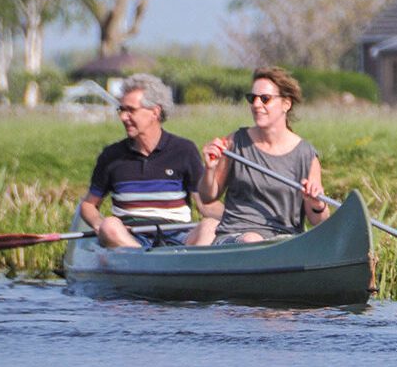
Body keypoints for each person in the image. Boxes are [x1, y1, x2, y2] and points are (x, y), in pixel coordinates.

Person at [79, 73, 220, 248]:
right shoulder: (111, 156)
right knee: (109, 225)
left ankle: (187, 266)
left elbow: (206, 206)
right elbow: (88, 205)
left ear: (155, 112)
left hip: (179, 237)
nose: (123, 117)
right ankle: (144, 262)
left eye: (131, 110)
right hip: (131, 240)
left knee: (211, 226)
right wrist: (97, 222)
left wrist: (246, 218)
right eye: (121, 110)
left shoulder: (184, 150)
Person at [199, 67, 329, 244]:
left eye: (265, 99)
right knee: (251, 240)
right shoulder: (235, 142)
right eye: (252, 99)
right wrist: (209, 169)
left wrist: (317, 203)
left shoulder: (306, 154)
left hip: (283, 241)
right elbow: (207, 197)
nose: (256, 105)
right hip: (235, 238)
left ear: (286, 104)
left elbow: (318, 221)